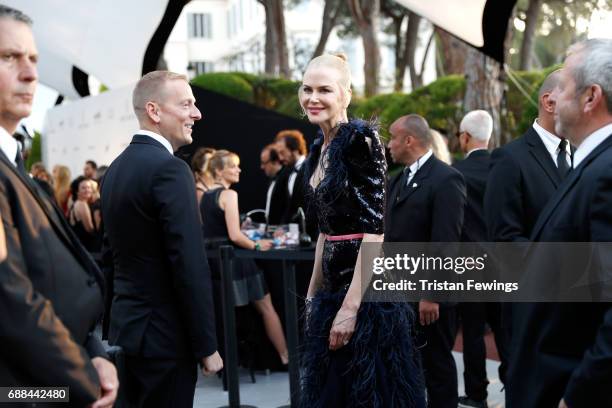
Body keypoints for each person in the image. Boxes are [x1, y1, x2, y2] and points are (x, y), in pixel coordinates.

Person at [0, 5, 117, 407]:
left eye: (32, 58)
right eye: (8, 57)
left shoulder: (14, 167)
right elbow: (9, 297)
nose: (31, 73)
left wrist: (96, 354)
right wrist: (83, 382)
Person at [299, 53, 425, 407]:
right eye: (307, 89)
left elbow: (374, 232)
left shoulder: (361, 140)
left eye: (325, 89)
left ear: (346, 94)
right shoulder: (317, 149)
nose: (313, 98)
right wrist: (311, 297)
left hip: (365, 298)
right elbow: (325, 232)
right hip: (331, 295)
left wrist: (351, 309)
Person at [101, 70, 222, 407]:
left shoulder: (115, 170)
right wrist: (206, 345)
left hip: (127, 333)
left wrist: (112, 327)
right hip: (165, 339)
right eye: (186, 104)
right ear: (154, 111)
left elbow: (109, 257)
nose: (196, 114)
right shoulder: (170, 168)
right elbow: (188, 262)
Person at [507, 38, 612, 408]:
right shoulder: (592, 164)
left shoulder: (606, 172)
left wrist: (578, 395)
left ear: (590, 97)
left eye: (564, 85)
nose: (553, 97)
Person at [386, 114, 466, 408]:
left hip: (428, 299)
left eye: (393, 138)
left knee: (436, 367)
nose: (388, 145)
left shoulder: (446, 178)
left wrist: (431, 295)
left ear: (409, 140)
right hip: (398, 294)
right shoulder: (397, 181)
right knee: (405, 367)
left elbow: (445, 242)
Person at [201, 149, 289, 364]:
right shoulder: (229, 195)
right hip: (236, 262)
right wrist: (258, 245)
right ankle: (286, 358)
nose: (239, 170)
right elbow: (234, 235)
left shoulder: (204, 196)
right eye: (233, 166)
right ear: (220, 171)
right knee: (267, 309)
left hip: (215, 264)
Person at [453, 110, 507, 408]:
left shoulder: (455, 172)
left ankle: (477, 394)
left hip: (470, 264)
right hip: (504, 262)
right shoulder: (504, 169)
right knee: (505, 329)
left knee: (473, 333)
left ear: (465, 136)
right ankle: (515, 385)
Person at [68, 176, 98, 253]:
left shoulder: (75, 203)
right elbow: (89, 229)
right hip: (86, 248)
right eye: (83, 188)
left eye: (89, 187)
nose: (87, 190)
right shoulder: (82, 204)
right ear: (77, 191)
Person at [260, 143, 286, 224]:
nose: (262, 167)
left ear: (275, 161)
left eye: (264, 163)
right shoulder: (272, 180)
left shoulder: (285, 178)